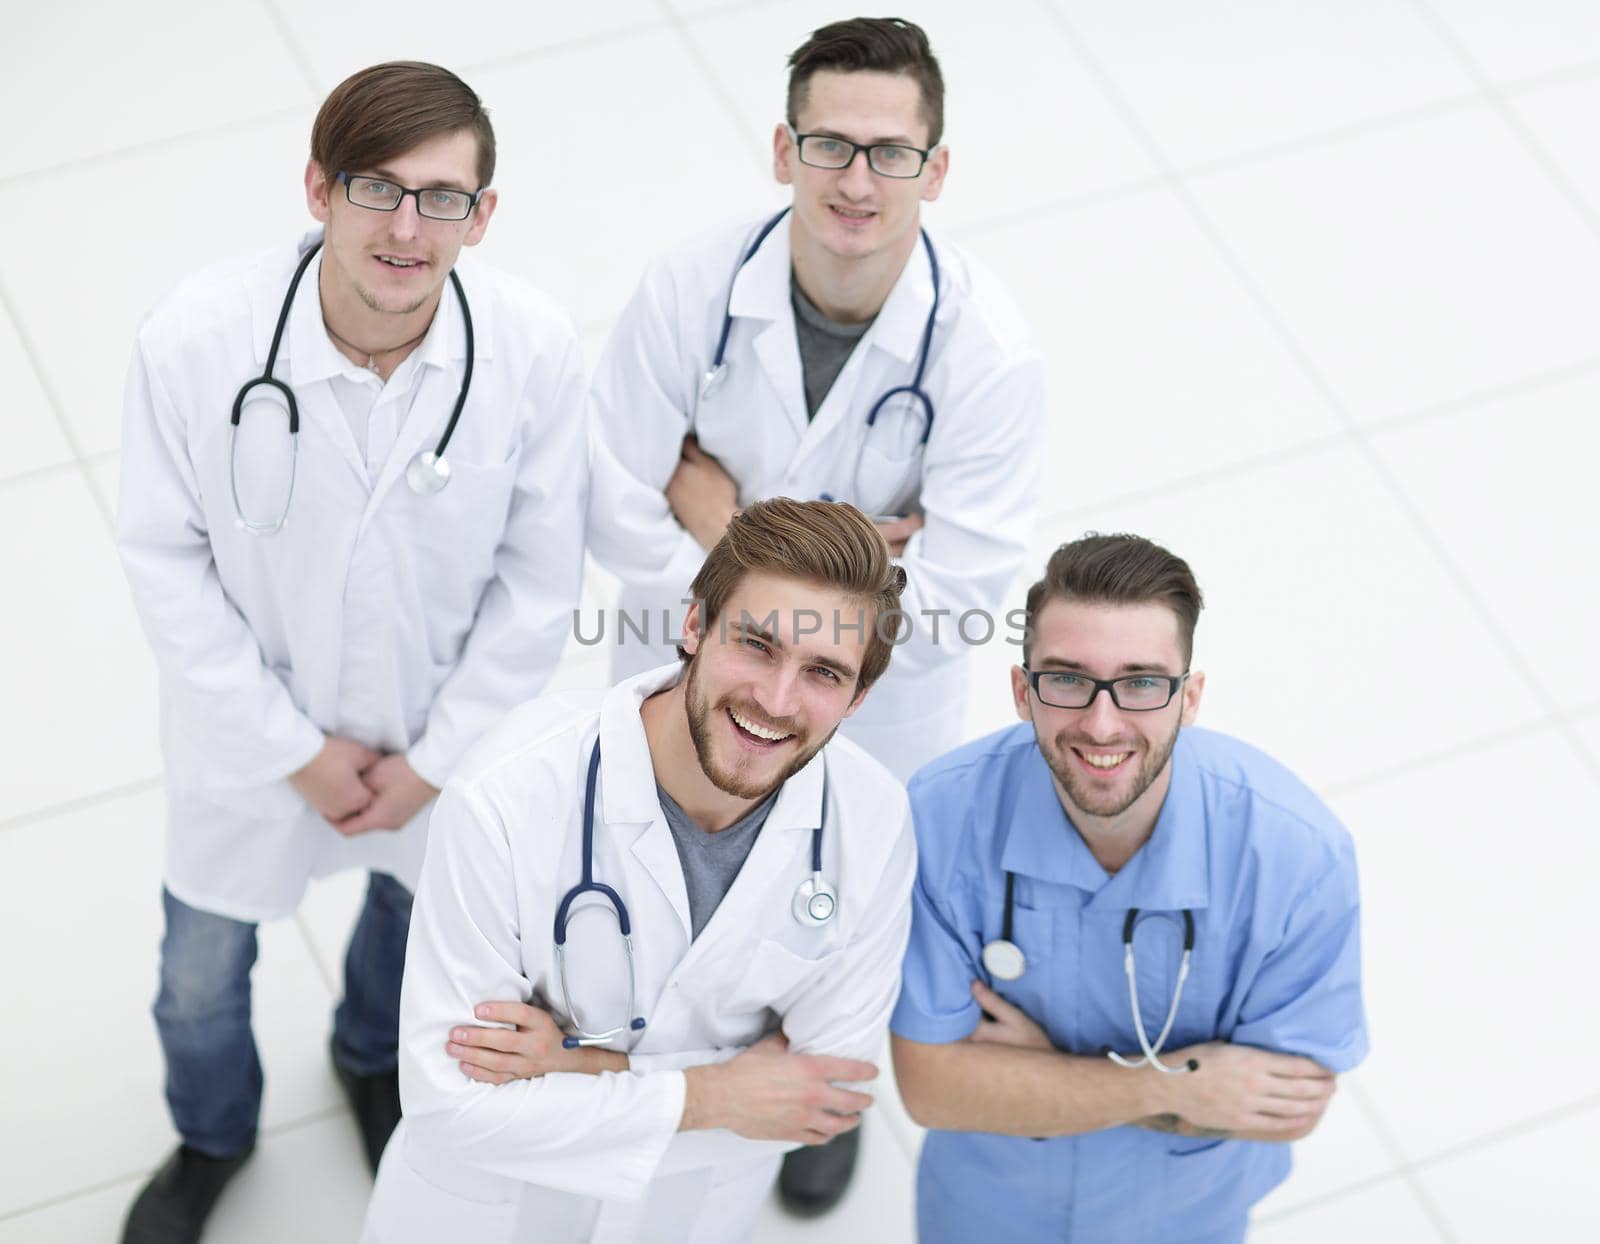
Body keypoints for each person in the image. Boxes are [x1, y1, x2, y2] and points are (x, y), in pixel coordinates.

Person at [114, 61, 589, 1244]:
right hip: (248, 746)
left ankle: (368, 1055)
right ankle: (214, 1132)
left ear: (483, 217)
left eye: (442, 197)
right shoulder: (195, 343)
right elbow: (163, 565)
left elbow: (542, 586)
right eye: (378, 187)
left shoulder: (528, 350)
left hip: (440, 742)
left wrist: (432, 758)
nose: (405, 225)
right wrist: (292, 751)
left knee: (411, 919)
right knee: (198, 977)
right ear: (319, 189)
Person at [586, 16, 1044, 1206]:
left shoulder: (986, 353)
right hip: (689, 668)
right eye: (829, 144)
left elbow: (958, 593)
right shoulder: (690, 288)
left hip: (873, 712)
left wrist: (733, 525)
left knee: (834, 908)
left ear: (935, 171)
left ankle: (822, 1091)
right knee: (655, 869)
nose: (856, 179)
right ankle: (646, 1055)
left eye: (890, 152)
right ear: (781, 148)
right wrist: (851, 552)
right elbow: (609, 496)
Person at [360, 498, 917, 1244]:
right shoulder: (507, 794)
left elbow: (822, 1099)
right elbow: (451, 1107)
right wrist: (715, 1095)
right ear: (693, 625)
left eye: (823, 672)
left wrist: (574, 1068)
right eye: (756, 644)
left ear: (858, 699)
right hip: (481, 1211)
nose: (776, 700)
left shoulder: (874, 822)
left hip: (693, 1213)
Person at [890, 534, 1368, 1244]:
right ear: (1023, 692)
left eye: (1142, 682)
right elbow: (930, 1088)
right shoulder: (941, 817)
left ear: (1190, 698)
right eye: (1067, 679)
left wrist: (1038, 1076)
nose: (1101, 722)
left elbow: (1290, 1106)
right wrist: (1175, 1085)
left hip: (1180, 1213)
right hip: (990, 1205)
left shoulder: (1295, 854)